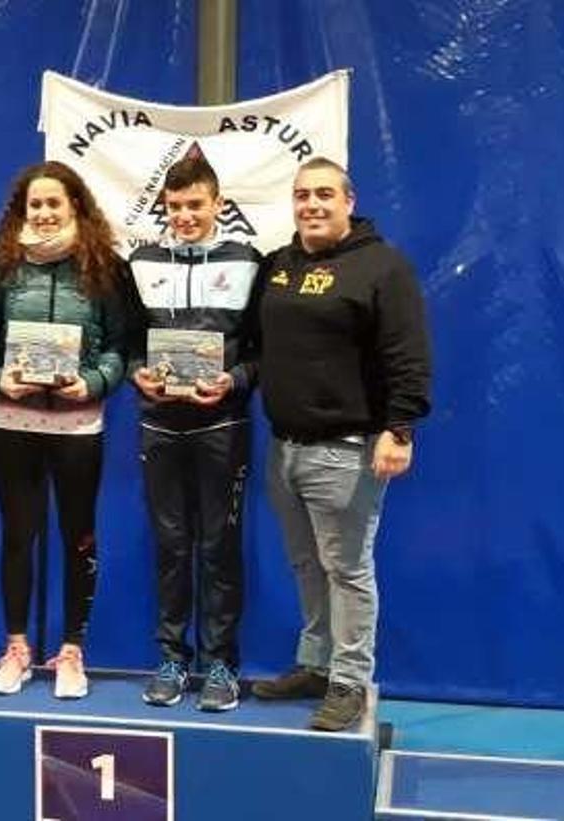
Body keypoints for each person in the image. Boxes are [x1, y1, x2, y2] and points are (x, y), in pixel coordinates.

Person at [250, 157, 431, 731]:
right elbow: (256, 347)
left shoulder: (383, 267)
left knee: (348, 569)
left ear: (349, 201)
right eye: (302, 195)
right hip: (283, 448)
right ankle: (316, 665)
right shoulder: (278, 265)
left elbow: (409, 356)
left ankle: (350, 680)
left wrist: (399, 429)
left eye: (324, 194)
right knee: (307, 564)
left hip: (346, 450)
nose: (312, 205)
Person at [0, 160, 127, 700]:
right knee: (19, 536)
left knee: (77, 537)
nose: (42, 213)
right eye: (33, 204)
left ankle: (71, 651)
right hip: (13, 422)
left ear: (75, 207)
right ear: (22, 210)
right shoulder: (2, 266)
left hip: (79, 427)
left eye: (52, 203)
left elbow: (120, 347)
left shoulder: (105, 267)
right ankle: (16, 648)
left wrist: (92, 383)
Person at [126, 156, 262, 712]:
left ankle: (222, 664)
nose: (184, 216)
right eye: (175, 206)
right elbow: (131, 342)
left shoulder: (248, 261)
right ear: (164, 207)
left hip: (221, 424)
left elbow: (262, 351)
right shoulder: (140, 261)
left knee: (218, 546)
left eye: (195, 205)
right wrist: (138, 371)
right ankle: (172, 658)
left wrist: (233, 380)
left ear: (218, 205)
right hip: (160, 424)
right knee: (171, 546)